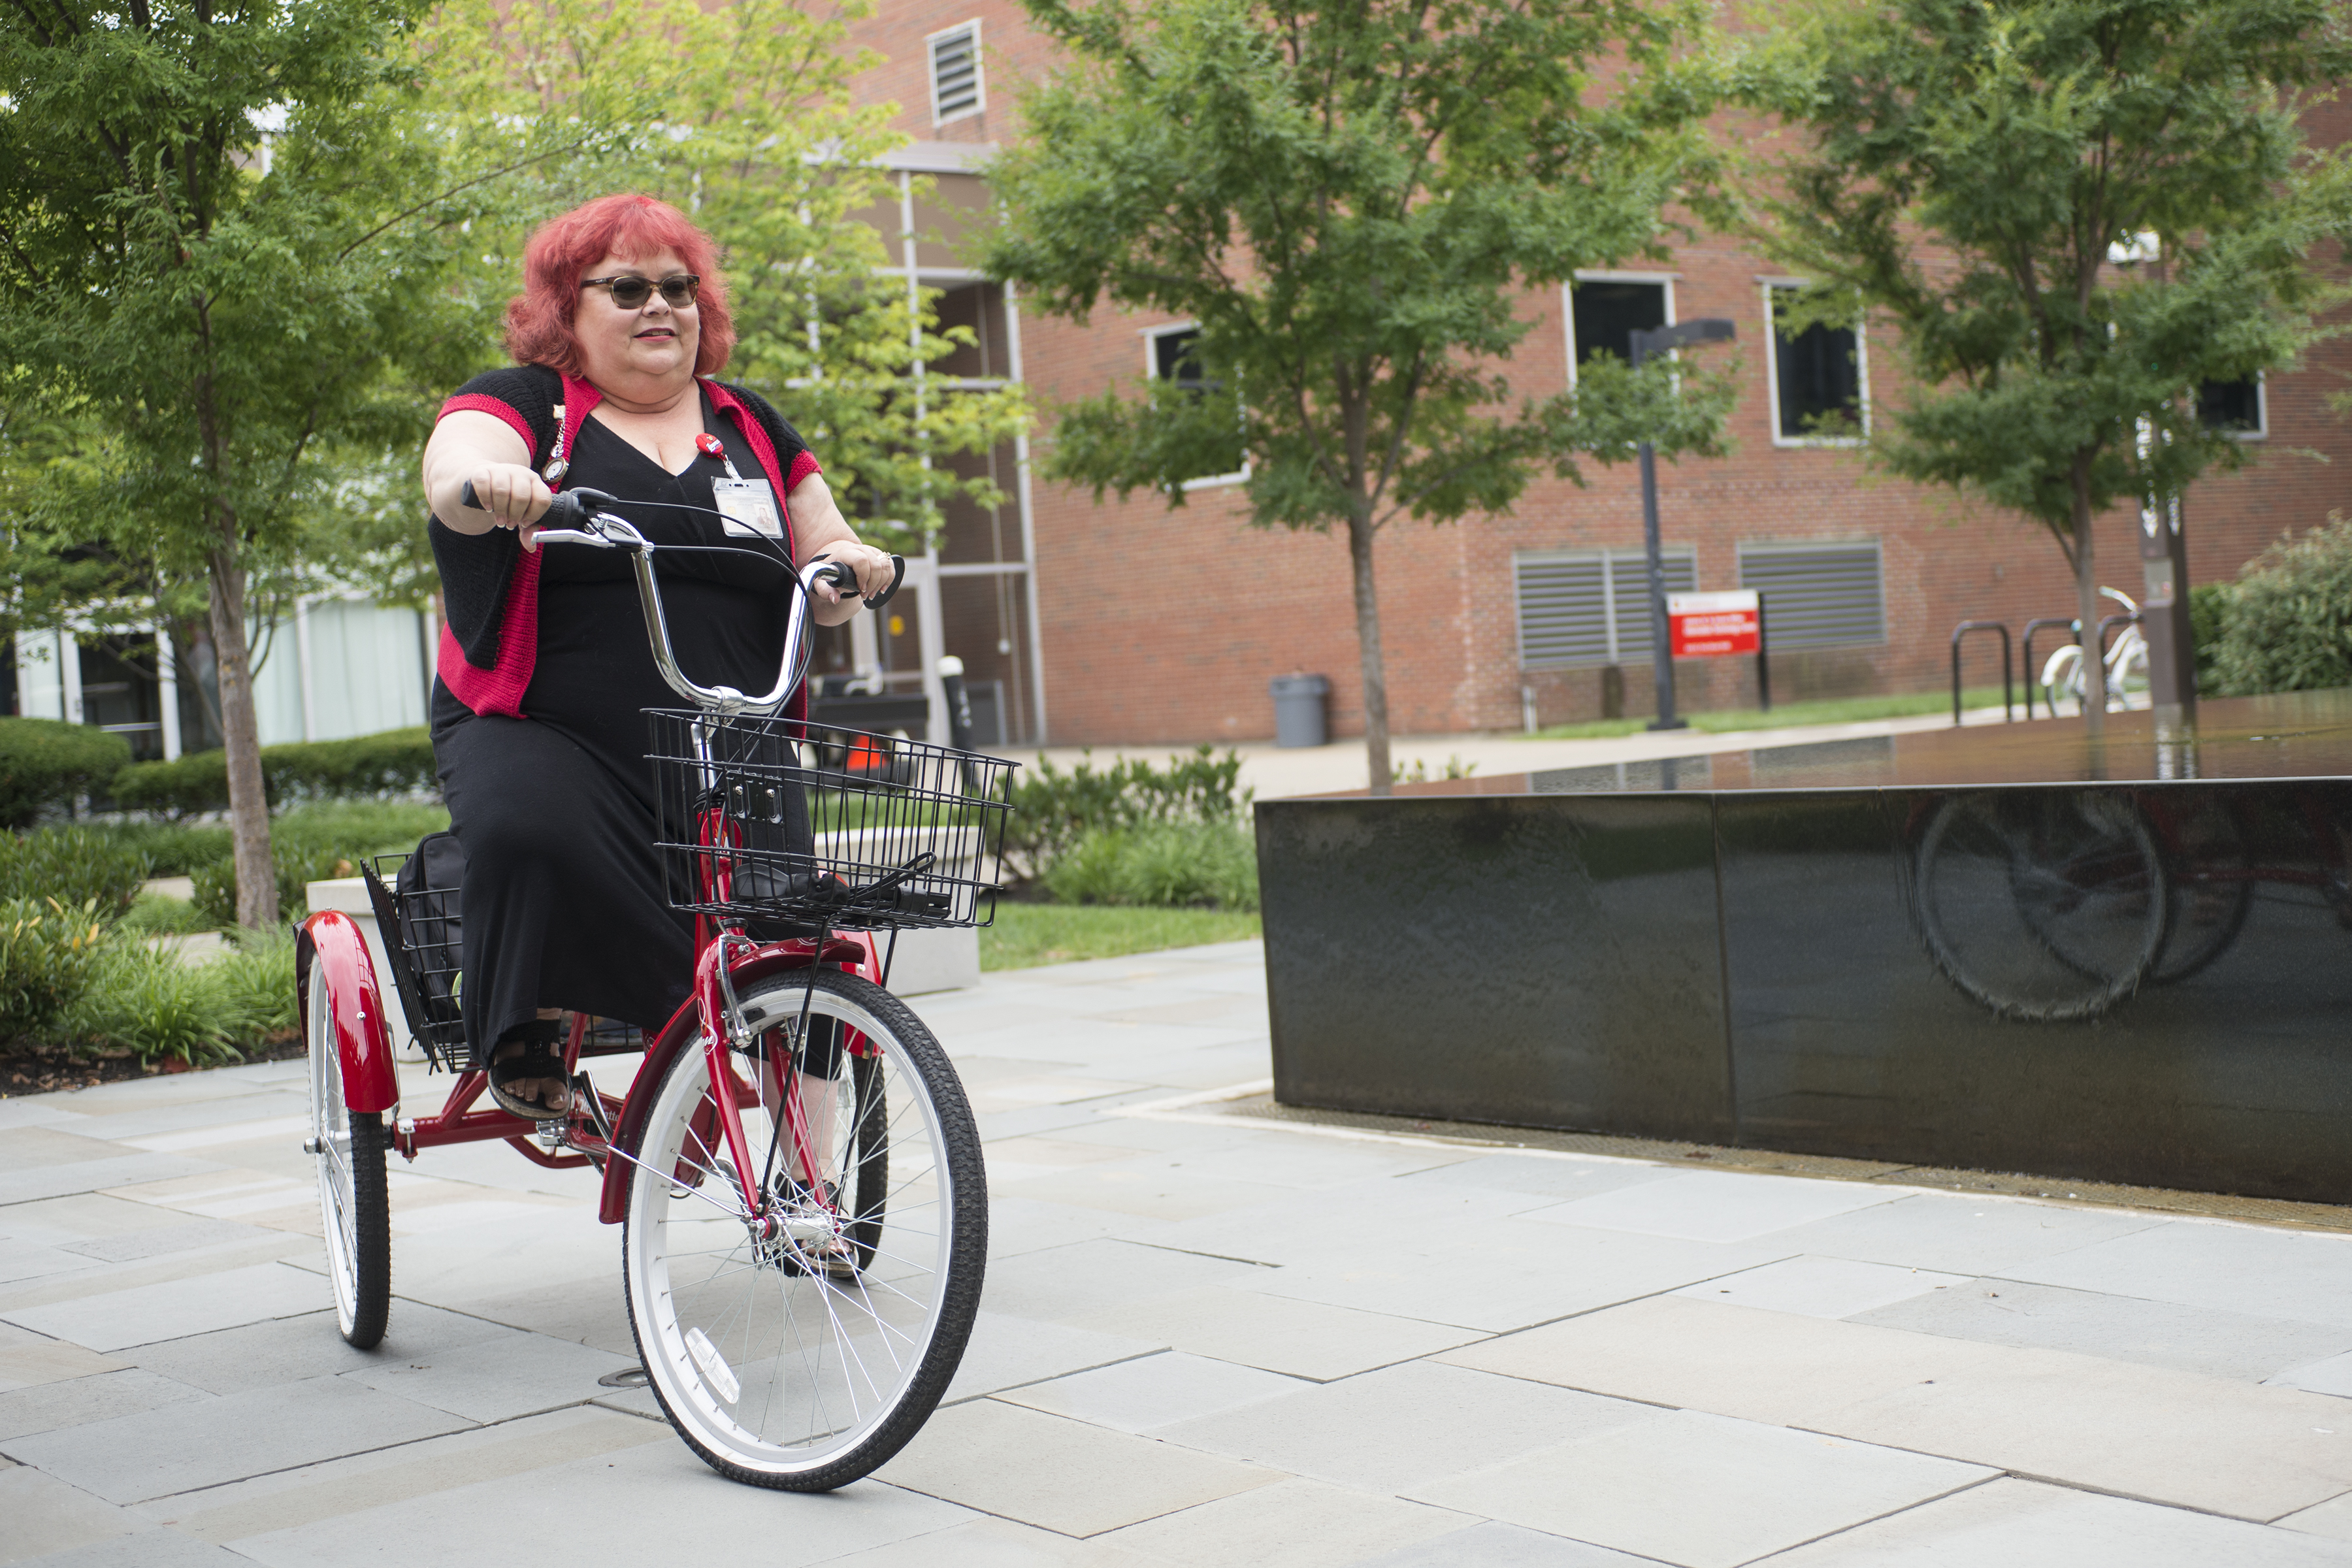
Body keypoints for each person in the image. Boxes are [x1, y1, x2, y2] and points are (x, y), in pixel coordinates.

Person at [417, 193, 896, 1120]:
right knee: (531, 830)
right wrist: (491, 483)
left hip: (732, 728)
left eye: (679, 288)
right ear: (567, 307)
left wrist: (849, 567)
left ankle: (813, 1192)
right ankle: (531, 1025)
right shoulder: (528, 405)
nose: (660, 307)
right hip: (549, 725)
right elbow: (454, 472)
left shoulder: (751, 425)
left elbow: (826, 553)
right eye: (628, 287)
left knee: (796, 925)